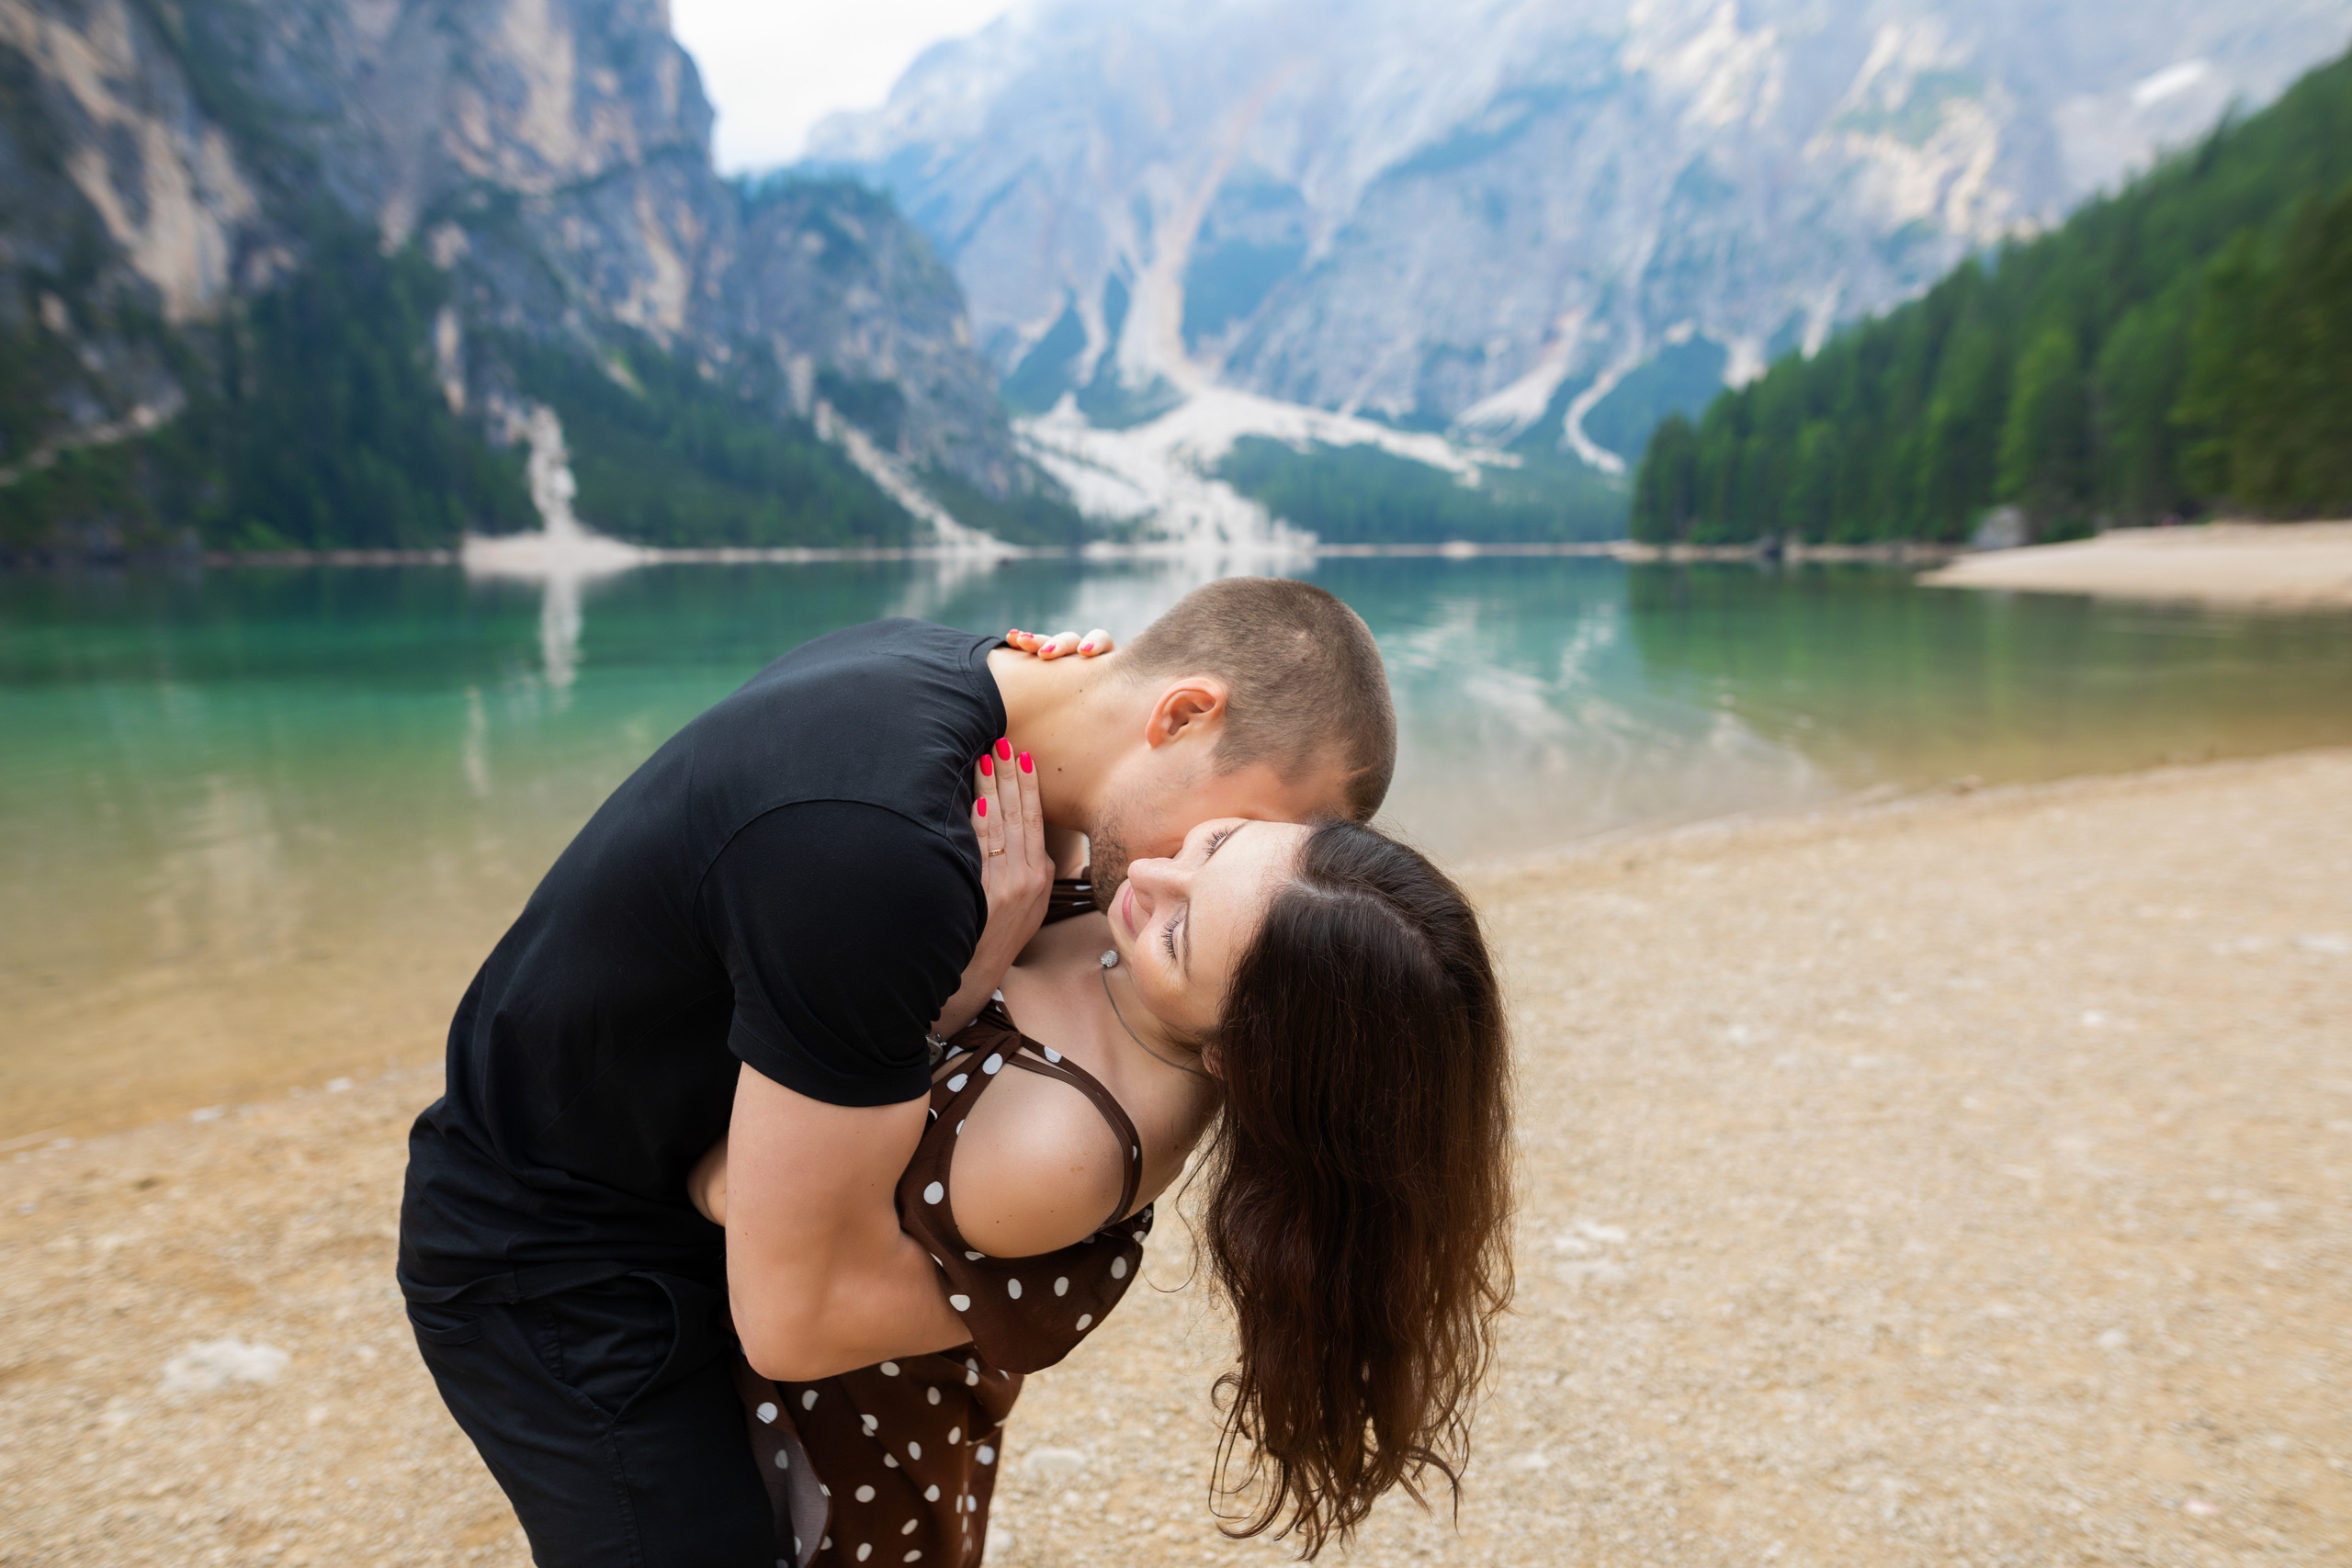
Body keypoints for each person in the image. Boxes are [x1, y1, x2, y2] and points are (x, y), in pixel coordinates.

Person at [398, 580, 1398, 1566]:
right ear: (1181, 713)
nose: (1211, 875)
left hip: (663, 1188)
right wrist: (1058, 1271)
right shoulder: (883, 854)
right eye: (1239, 830)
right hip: (556, 1250)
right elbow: (796, 1319)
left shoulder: (949, 684)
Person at [687, 757, 1514, 1567]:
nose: (1151, 874)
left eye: (1178, 934)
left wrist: (967, 969)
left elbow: (732, 1186)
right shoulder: (1149, 959)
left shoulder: (1060, 1150)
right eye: (1216, 844)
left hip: (812, 1446)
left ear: (1232, 1058)